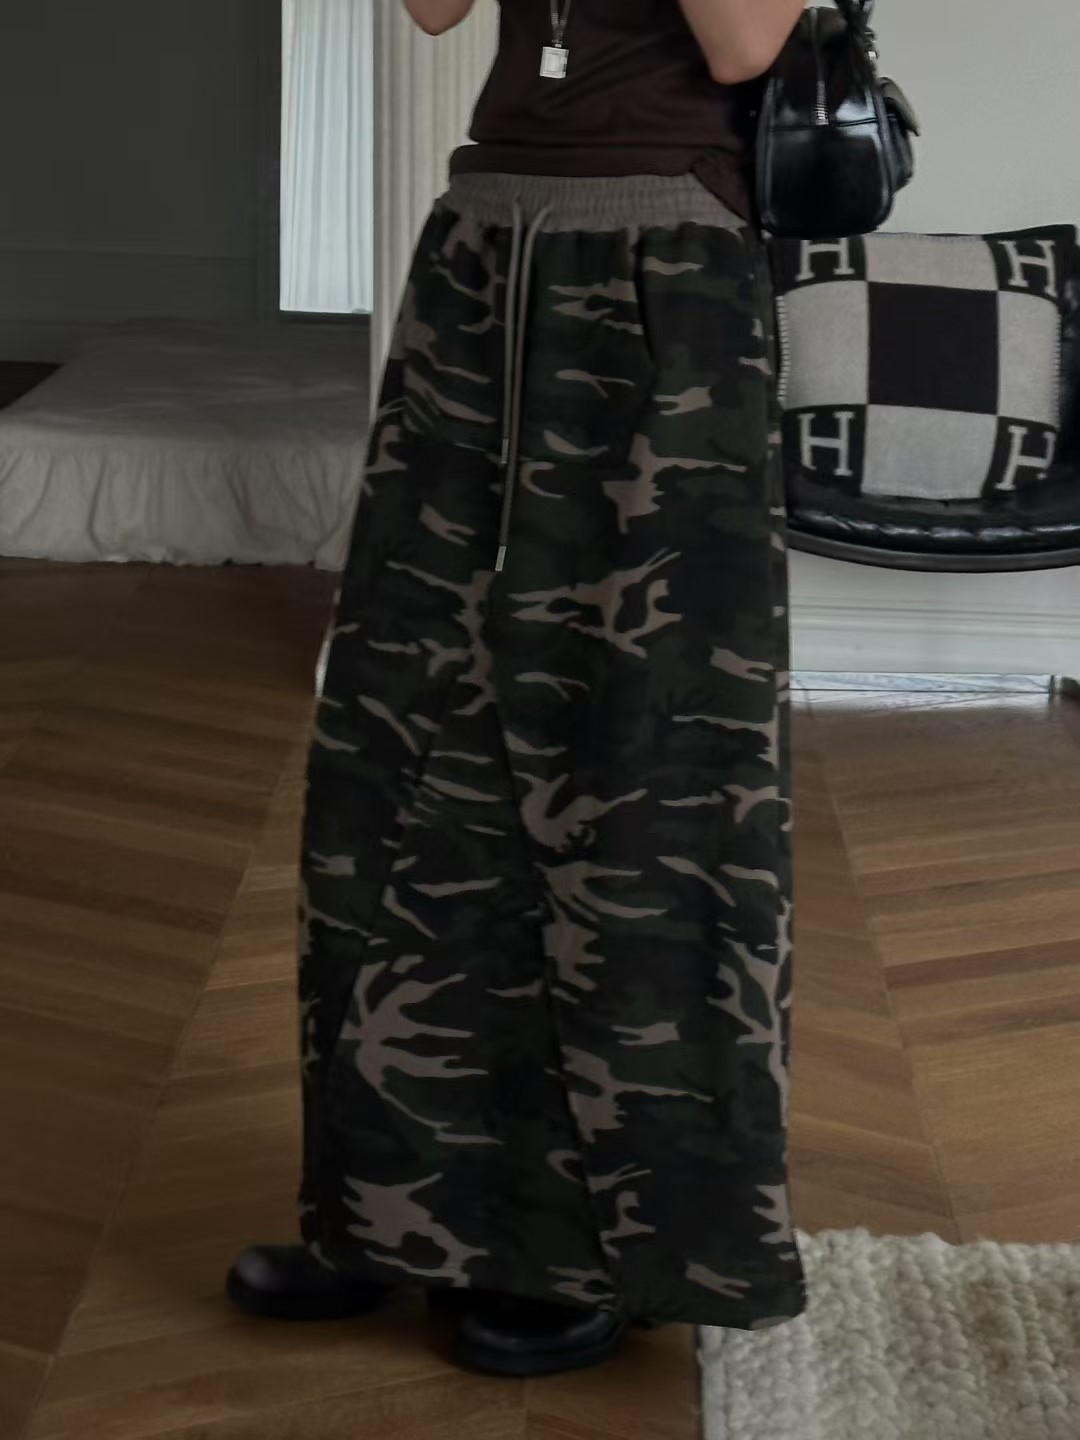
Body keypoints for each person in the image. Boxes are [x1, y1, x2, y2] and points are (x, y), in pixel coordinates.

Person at [229, 0, 807, 1378]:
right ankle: (383, 1211)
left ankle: (596, 1246)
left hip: (665, 276)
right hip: (481, 252)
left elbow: (744, 46)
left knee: (639, 765)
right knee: (399, 728)